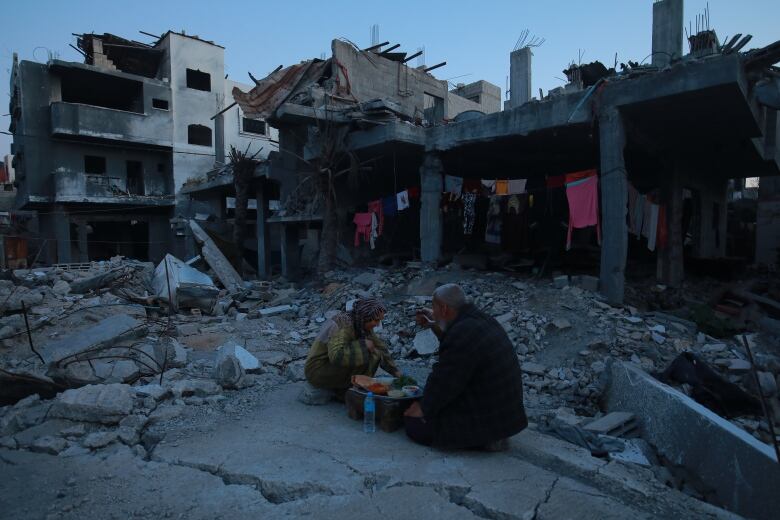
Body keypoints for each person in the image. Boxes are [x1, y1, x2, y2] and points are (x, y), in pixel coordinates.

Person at [404, 284, 527, 450]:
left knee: (413, 423)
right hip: (504, 416)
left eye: (434, 307)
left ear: (444, 308)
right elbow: (455, 347)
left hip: (489, 422)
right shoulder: (479, 319)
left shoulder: (463, 333)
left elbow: (445, 381)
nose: (433, 312)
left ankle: (484, 441)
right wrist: (434, 324)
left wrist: (423, 408)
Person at [304, 298, 400, 394]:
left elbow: (380, 347)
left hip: (332, 367)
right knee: (371, 353)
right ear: (366, 317)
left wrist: (395, 372)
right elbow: (337, 355)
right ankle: (350, 391)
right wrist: (363, 345)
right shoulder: (343, 325)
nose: (378, 324)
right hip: (317, 371)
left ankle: (351, 387)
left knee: (375, 351)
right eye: (376, 320)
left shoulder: (361, 323)